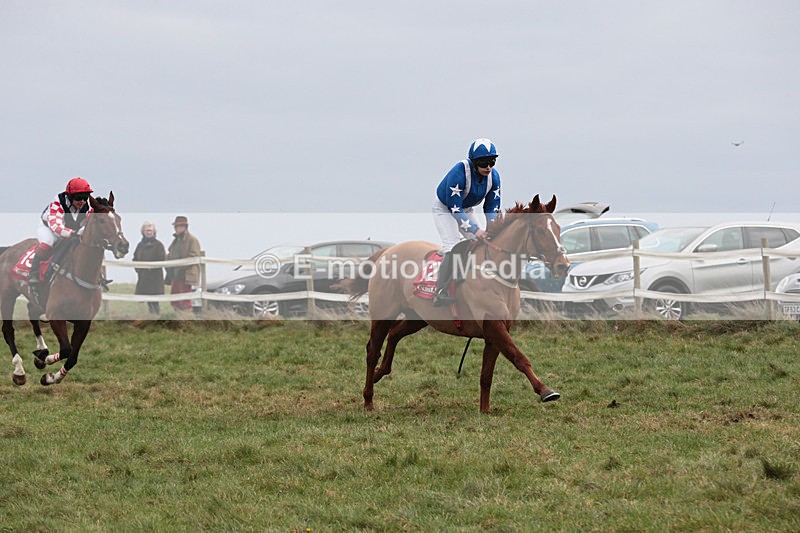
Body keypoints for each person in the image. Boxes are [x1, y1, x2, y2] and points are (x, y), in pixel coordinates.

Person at [431, 138, 502, 306]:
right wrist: (476, 230)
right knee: (453, 245)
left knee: (479, 243)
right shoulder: (459, 172)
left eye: (492, 162)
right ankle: (440, 291)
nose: (488, 167)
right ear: (474, 162)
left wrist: (491, 228)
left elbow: (491, 207)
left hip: (466, 209)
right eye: (483, 162)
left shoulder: (494, 177)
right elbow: (454, 209)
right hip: (445, 208)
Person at [29, 177, 94, 289]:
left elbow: (91, 221)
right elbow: (56, 226)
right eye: (79, 198)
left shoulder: (87, 206)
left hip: (69, 231)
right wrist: (74, 233)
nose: (82, 201)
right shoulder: (58, 203)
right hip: (49, 228)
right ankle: (33, 274)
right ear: (70, 196)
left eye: (85, 197)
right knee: (49, 242)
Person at [165, 216, 202, 314]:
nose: (178, 228)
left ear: (185, 227)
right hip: (175, 274)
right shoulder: (176, 241)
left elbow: (194, 256)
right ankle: (178, 317)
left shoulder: (192, 240)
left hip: (185, 275)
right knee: (175, 300)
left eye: (181, 226)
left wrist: (182, 265)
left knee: (185, 301)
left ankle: (186, 318)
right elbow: (170, 254)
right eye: (177, 226)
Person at [133, 221, 167, 316]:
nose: (149, 232)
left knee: (154, 302)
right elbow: (135, 258)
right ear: (143, 232)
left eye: (150, 230)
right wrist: (138, 269)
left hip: (155, 278)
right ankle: (150, 317)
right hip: (143, 278)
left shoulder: (159, 245)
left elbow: (162, 259)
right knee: (148, 300)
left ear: (154, 232)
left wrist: (151, 268)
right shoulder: (140, 245)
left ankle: (156, 317)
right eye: (147, 230)